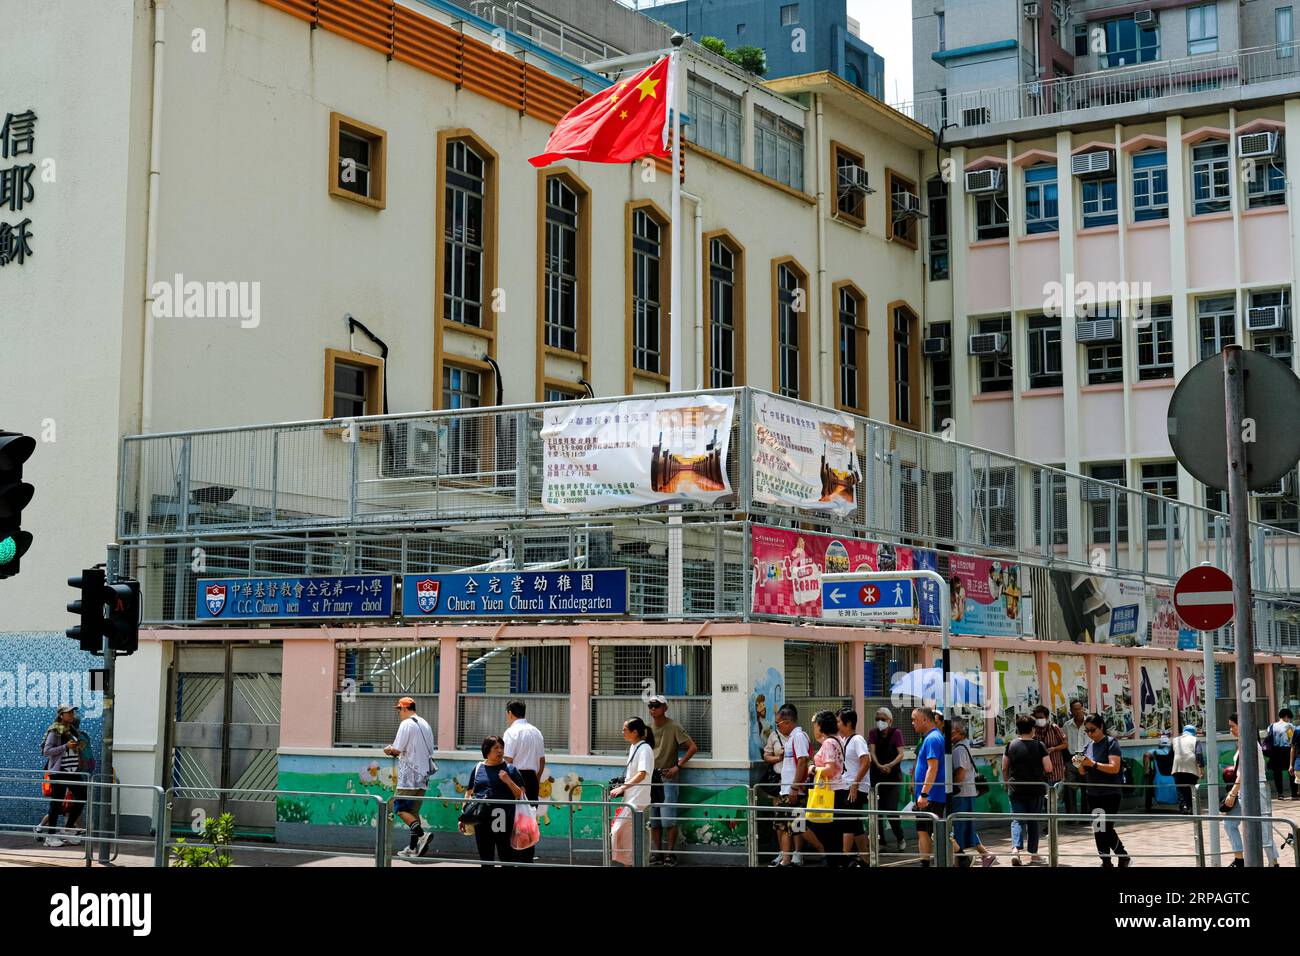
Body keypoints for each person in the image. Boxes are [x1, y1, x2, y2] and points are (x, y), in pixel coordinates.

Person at [1222, 712, 1281, 867]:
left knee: (1264, 831)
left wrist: (1231, 794)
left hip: (1256, 792)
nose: (1230, 730)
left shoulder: (1250, 745)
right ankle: (1239, 860)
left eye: (1232, 726)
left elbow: (1243, 773)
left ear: (1242, 726)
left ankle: (1273, 862)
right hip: (1243, 792)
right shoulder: (1243, 743)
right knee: (1229, 823)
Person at [647, 694, 698, 866]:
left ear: (665, 708)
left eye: (657, 705)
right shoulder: (647, 729)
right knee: (654, 820)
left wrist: (678, 766)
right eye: (650, 706)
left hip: (668, 776)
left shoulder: (674, 726)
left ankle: (670, 853)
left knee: (668, 819)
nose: (653, 709)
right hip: (651, 777)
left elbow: (692, 747)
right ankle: (657, 853)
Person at [460, 735, 526, 866]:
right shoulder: (478, 768)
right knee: (486, 858)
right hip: (482, 821)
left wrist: (508, 781)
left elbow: (520, 795)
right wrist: (464, 816)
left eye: (502, 747)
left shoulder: (511, 770)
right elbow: (469, 793)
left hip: (504, 821)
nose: (500, 751)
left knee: (506, 858)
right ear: (487, 750)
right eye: (496, 748)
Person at [383, 697, 436, 860]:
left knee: (400, 809)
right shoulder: (425, 724)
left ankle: (422, 835)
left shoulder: (406, 724)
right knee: (413, 812)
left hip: (409, 775)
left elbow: (397, 750)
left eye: (400, 710)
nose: (399, 713)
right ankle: (413, 848)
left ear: (405, 709)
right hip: (424, 775)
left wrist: (388, 750)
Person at [1078, 714, 1130, 867]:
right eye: (1086, 731)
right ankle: (1106, 861)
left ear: (1101, 727)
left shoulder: (1111, 743)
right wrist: (1079, 763)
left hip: (1110, 792)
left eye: (1092, 730)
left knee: (1106, 827)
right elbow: (1082, 772)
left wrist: (1093, 764)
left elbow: (1114, 768)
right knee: (1098, 828)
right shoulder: (1088, 746)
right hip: (1092, 792)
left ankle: (1123, 855)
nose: (1089, 734)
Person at [1002, 714, 1051, 865]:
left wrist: (1006, 783)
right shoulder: (1039, 745)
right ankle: (1034, 853)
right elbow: (1049, 767)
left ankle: (1015, 850)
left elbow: (1004, 767)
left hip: (1015, 788)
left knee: (1017, 819)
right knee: (1033, 820)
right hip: (1036, 789)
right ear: (1032, 729)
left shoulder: (1010, 745)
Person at [770, 703, 815, 867]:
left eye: (778, 724)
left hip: (793, 791)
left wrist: (795, 787)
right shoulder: (791, 739)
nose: (777, 727)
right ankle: (786, 859)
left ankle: (822, 851)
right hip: (786, 790)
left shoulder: (798, 737)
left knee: (796, 826)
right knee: (784, 827)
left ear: (787, 722)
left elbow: (803, 761)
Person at [39, 705, 88, 848]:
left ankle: (67, 829)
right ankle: (51, 836)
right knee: (56, 803)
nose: (72, 714)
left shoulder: (71, 730)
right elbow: (46, 751)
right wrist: (66, 746)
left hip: (73, 770)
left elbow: (73, 748)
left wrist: (78, 747)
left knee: (82, 796)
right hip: (60, 770)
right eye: (68, 713)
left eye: (72, 712)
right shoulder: (54, 730)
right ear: (61, 715)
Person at [502, 699, 545, 863]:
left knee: (512, 818)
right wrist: (536, 779)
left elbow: (507, 760)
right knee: (529, 819)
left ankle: (513, 857)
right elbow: (542, 760)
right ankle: (527, 856)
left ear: (510, 713)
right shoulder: (536, 731)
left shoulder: (511, 732)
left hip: (514, 778)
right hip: (532, 778)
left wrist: (509, 782)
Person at [951, 718, 997, 867]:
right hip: (968, 792)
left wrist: (949, 785)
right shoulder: (965, 745)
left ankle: (961, 860)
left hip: (962, 793)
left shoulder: (959, 749)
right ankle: (984, 855)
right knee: (966, 827)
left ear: (956, 731)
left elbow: (960, 775)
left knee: (959, 828)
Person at [610, 717, 655, 866]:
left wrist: (623, 787)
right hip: (631, 800)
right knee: (627, 837)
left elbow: (642, 773)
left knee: (618, 831)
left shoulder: (645, 749)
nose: (622, 732)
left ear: (635, 732)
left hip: (638, 802)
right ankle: (630, 864)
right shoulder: (634, 747)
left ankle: (636, 863)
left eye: (625, 729)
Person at [809, 710, 846, 865]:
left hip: (831, 793)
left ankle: (834, 861)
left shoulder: (829, 743)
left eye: (815, 725)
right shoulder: (838, 740)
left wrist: (813, 769)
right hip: (838, 791)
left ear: (821, 725)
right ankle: (836, 861)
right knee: (834, 833)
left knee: (826, 831)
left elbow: (830, 769)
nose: (814, 728)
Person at [911, 706, 947, 866]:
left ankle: (960, 855)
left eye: (914, 719)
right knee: (924, 831)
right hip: (929, 795)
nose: (912, 723)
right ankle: (925, 862)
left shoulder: (932, 738)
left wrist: (924, 794)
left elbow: (933, 767)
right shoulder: (930, 737)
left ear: (925, 719)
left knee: (931, 831)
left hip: (931, 796)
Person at [868, 707, 906, 852]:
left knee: (891, 810)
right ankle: (881, 841)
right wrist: (878, 765)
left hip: (892, 777)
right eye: (877, 719)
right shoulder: (873, 733)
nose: (880, 722)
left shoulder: (896, 733)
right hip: (876, 777)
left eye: (883, 719)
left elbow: (901, 753)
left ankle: (900, 837)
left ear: (890, 721)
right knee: (876, 811)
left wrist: (890, 765)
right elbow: (872, 751)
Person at [837, 708, 871, 866]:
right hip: (846, 786)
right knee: (855, 825)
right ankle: (865, 858)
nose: (837, 725)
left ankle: (845, 857)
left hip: (854, 788)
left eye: (839, 721)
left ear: (848, 723)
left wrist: (855, 785)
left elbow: (866, 761)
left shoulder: (857, 740)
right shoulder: (844, 740)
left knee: (848, 822)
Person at [1032, 704, 1068, 797]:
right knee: (1041, 796)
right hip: (1039, 769)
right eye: (1036, 717)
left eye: (1041, 717)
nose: (1038, 720)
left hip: (1055, 767)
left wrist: (1054, 748)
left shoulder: (1054, 728)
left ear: (1047, 717)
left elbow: (1065, 744)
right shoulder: (1033, 729)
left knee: (1052, 796)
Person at [1062, 699, 1090, 818]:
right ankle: (1071, 817)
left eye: (1080, 708)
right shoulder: (1067, 725)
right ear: (1071, 711)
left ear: (1083, 709)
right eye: (1075, 709)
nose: (1078, 711)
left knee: (1086, 789)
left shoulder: (1089, 723)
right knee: (1070, 789)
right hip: (1071, 759)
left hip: (1086, 759)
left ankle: (1085, 816)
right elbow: (1064, 743)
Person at [1171, 725, 1204, 815]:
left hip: (1177, 767)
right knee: (1192, 788)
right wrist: (1201, 770)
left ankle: (1184, 807)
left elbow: (1171, 755)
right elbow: (1199, 755)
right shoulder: (1195, 740)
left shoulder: (1175, 740)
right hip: (1191, 767)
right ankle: (1192, 808)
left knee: (1180, 788)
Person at [1266, 708, 1297, 800]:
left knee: (1277, 773)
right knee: (1291, 772)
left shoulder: (1271, 726)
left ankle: (1280, 794)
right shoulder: (1289, 726)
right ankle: (1294, 794)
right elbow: (1291, 739)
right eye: (1289, 717)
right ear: (1287, 716)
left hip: (1275, 751)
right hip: (1287, 751)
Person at [1144, 735, 1178, 812]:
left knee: (1149, 776)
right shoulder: (1174, 752)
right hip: (1173, 779)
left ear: (1160, 745)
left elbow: (1146, 755)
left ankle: (1148, 806)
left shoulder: (1155, 752)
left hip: (1159, 779)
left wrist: (1146, 771)